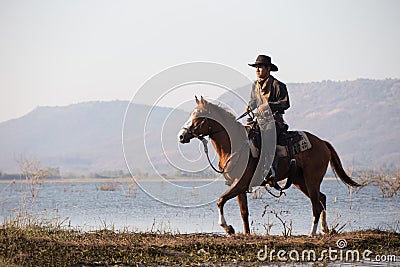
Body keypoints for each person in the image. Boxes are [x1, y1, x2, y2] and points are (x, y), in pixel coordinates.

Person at [246, 54, 290, 181]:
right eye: (256, 67)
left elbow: (285, 103)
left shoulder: (278, 85)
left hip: (275, 121)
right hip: (259, 120)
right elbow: (254, 101)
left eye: (260, 67)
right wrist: (250, 106)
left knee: (267, 136)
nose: (257, 70)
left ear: (268, 68)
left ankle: (271, 169)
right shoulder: (255, 86)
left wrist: (268, 106)